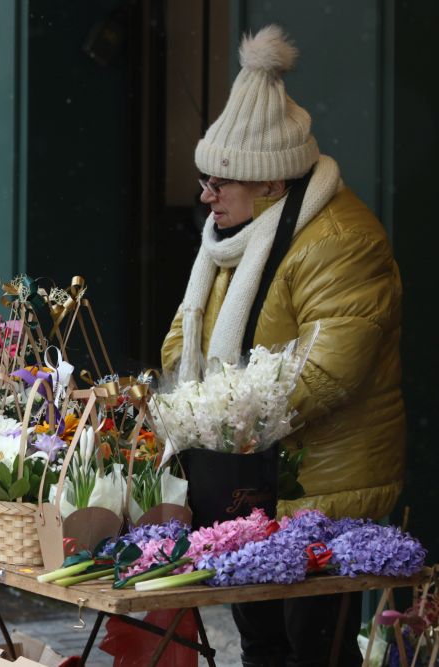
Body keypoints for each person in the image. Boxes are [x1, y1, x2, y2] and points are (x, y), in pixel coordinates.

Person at [161, 26, 402, 667]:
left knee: (313, 651)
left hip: (324, 486)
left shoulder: (341, 241)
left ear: (271, 184)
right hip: (251, 481)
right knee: (261, 645)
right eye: (204, 179)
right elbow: (187, 336)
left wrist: (217, 418)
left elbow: (330, 369)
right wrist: (191, 408)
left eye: (221, 182)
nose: (206, 195)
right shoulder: (229, 238)